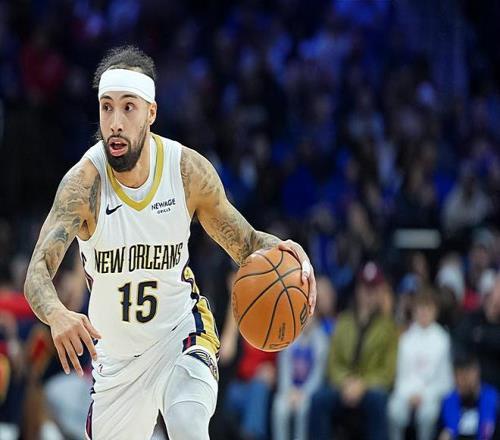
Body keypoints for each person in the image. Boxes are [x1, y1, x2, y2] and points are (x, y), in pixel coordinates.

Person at [23, 45, 317, 440]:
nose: (115, 122)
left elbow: (247, 243)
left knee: (187, 422)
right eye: (107, 108)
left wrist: (286, 250)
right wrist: (57, 314)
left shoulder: (185, 171)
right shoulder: (83, 185)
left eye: (128, 108)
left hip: (180, 333)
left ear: (151, 112)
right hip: (117, 361)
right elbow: (37, 272)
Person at [309, 261, 398, 440]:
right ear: (358, 290)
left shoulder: (388, 327)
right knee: (318, 400)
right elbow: (333, 363)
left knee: (377, 400)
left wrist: (362, 385)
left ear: (380, 292)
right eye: (365, 288)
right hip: (343, 386)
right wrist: (345, 382)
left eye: (373, 289)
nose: (368, 294)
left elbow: (388, 372)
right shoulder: (344, 322)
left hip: (371, 388)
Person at [388, 290, 453, 440]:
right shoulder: (405, 339)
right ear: (414, 311)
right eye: (420, 308)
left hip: (432, 395)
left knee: (427, 415)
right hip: (407, 393)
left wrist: (424, 395)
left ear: (435, 311)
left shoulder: (443, 339)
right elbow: (401, 376)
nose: (423, 312)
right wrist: (409, 395)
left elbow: (445, 381)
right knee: (394, 411)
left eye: (428, 308)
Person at [438, 355, 498, 440]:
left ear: (476, 373)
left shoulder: (493, 399)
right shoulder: (448, 402)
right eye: (460, 376)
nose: (464, 382)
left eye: (467, 375)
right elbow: (443, 431)